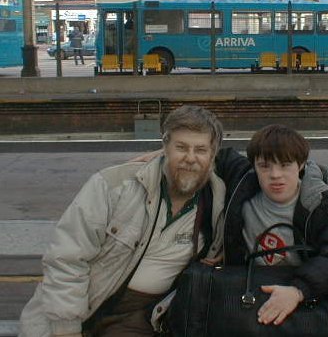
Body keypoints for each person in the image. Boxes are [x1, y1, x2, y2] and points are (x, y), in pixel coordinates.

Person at [19, 105, 226, 337]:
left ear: (213, 154)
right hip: (84, 310)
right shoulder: (114, 186)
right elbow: (66, 259)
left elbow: (264, 166)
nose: (190, 158)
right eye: (181, 147)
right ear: (165, 147)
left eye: (200, 149)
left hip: (145, 317)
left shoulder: (217, 201)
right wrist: (67, 329)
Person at [214, 124, 328, 327]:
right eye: (265, 166)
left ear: (300, 165)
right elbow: (203, 153)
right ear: (253, 165)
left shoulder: (322, 204)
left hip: (305, 298)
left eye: (285, 165)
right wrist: (163, 153)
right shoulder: (242, 184)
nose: (275, 175)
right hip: (249, 295)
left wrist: (298, 291)